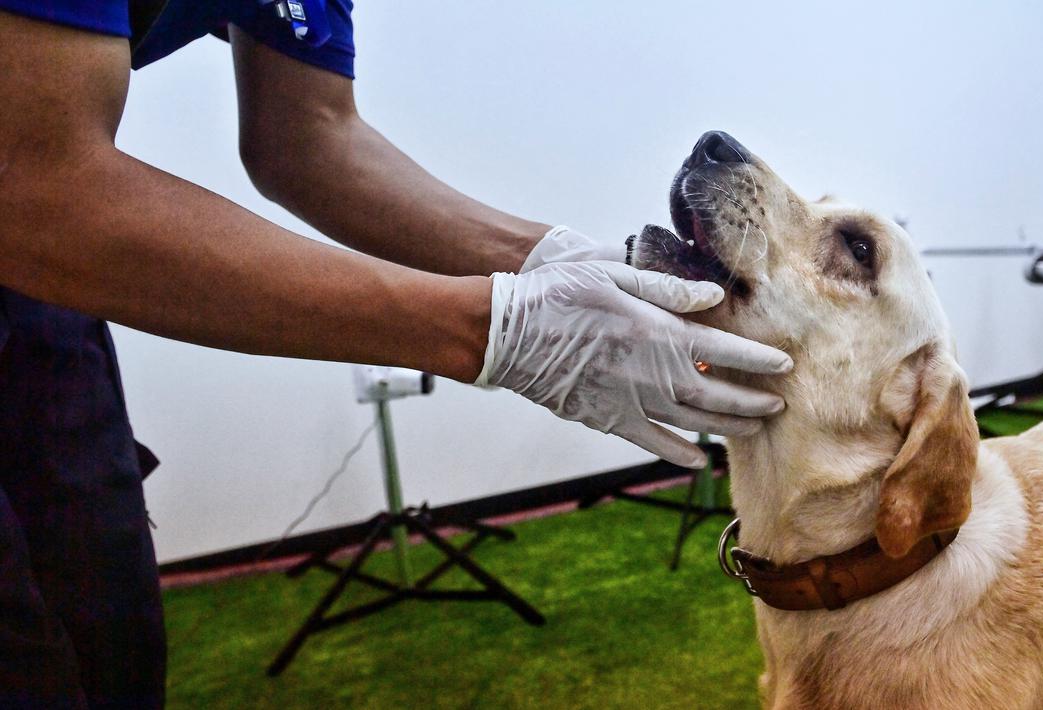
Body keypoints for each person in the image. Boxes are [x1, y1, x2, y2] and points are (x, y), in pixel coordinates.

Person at [0, 2, 792, 707]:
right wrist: (494, 329)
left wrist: (546, 258)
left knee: (107, 634)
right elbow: (33, 184)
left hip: (36, 294)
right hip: (31, 203)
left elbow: (308, 137)